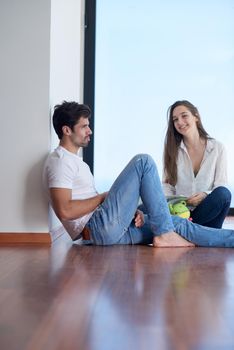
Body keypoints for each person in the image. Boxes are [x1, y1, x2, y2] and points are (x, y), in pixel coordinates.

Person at [43, 101, 234, 248]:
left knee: (177, 224)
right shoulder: (61, 160)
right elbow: (65, 210)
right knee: (143, 162)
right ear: (67, 130)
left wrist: (132, 211)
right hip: (97, 229)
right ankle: (165, 234)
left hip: (109, 231)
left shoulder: (76, 162)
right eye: (84, 126)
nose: (89, 130)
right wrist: (102, 198)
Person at [163, 100, 231, 228]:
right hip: (181, 213)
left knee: (223, 194)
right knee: (143, 207)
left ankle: (185, 230)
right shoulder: (172, 151)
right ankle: (192, 231)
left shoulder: (217, 148)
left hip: (208, 213)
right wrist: (174, 205)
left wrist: (205, 194)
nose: (180, 122)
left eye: (184, 116)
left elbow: (221, 183)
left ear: (196, 116)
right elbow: (168, 187)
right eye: (175, 119)